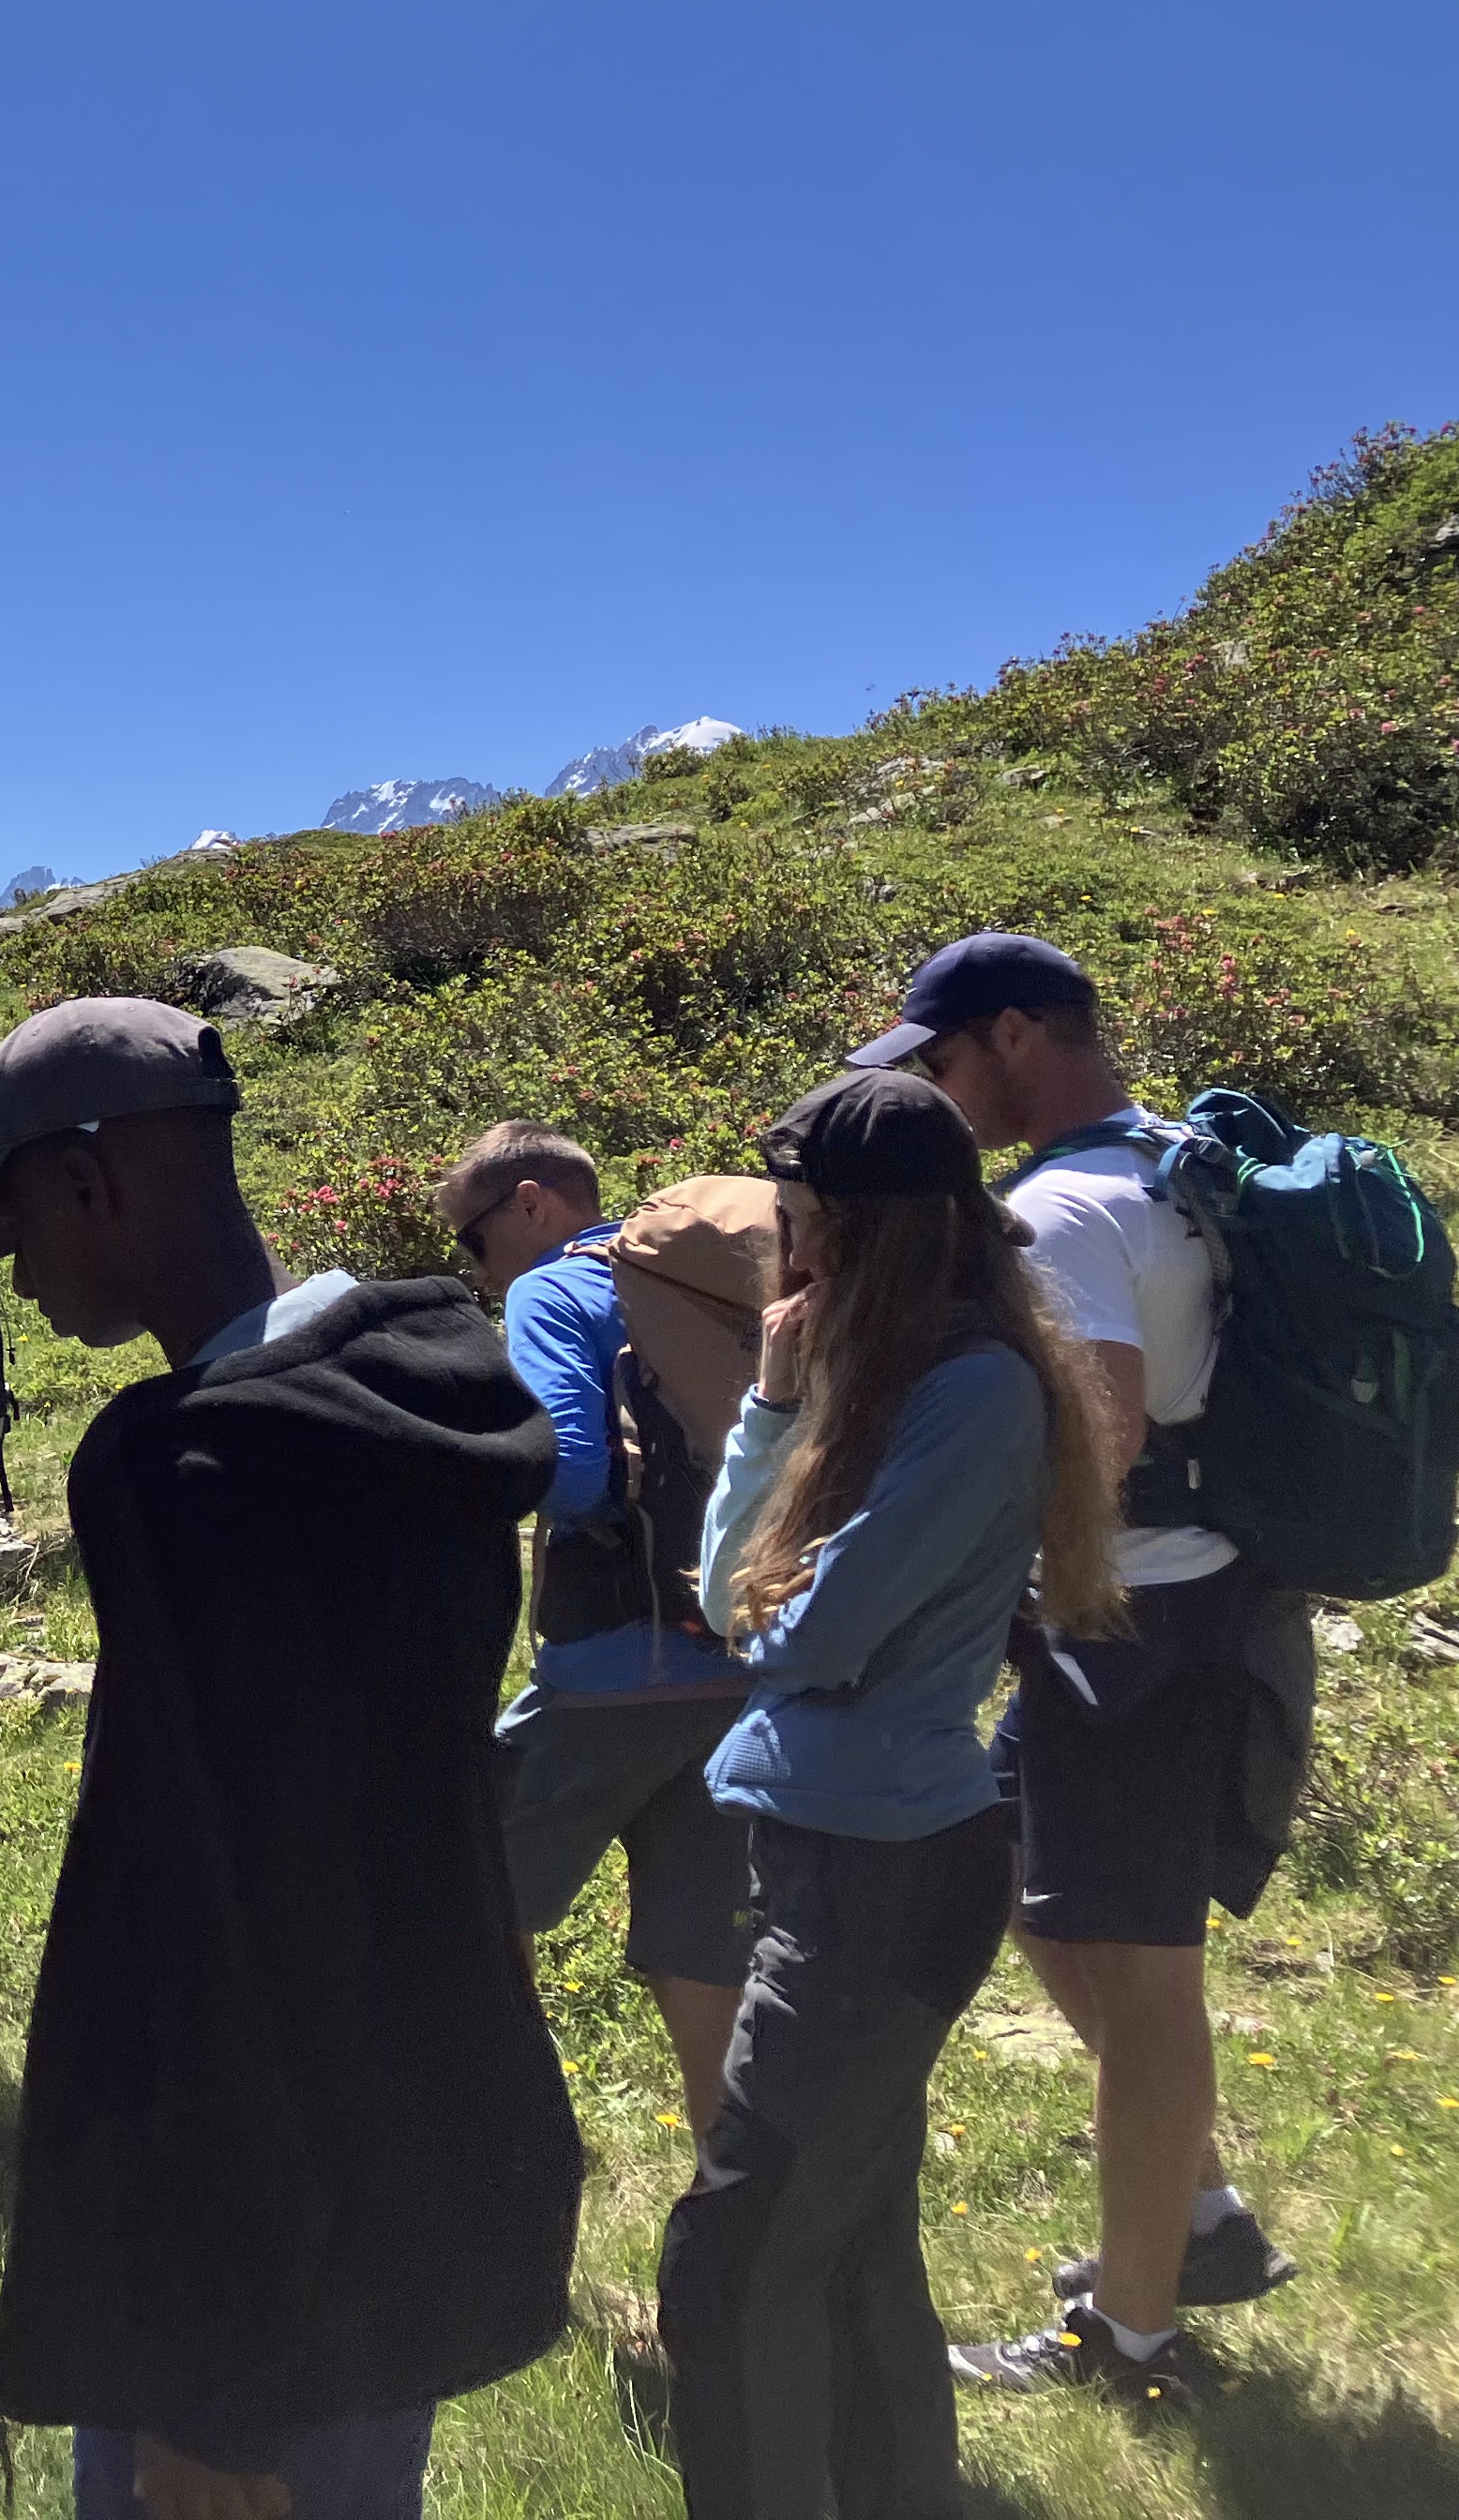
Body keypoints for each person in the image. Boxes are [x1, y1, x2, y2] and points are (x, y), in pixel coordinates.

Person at [0, 998, 581, 2520]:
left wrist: (212, 2393)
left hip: (242, 2285)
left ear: (92, 1180)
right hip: (392, 2174)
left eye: (11, 1216)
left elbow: (226, 1937)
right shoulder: (421, 1394)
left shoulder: (209, 1480)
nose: (9, 1267)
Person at [657, 1070, 1129, 2516]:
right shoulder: (895, 1382)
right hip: (839, 1858)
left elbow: (809, 1632)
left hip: (881, 1884)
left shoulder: (976, 1391)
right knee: (848, 2247)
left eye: (792, 1222)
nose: (780, 1257)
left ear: (855, 1233)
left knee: (730, 2264)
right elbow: (728, 1592)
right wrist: (769, 1401)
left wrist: (763, 1604)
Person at [852, 934, 1311, 2398]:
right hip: (1196, 1605)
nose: (934, 1090)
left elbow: (1098, 1431)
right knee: (1042, 1896)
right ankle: (1199, 2221)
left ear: (1008, 1036)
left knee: (1146, 1973)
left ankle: (1130, 2336)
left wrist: (958, 1569)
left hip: (1126, 1630)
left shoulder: (1056, 1210)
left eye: (938, 1060)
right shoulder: (1176, 1163)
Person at [435, 1120, 755, 2137]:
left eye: (471, 1241)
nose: (477, 1272)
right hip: (743, 1660)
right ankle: (733, 2198)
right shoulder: (711, 1286)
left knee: (469, 1911)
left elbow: (571, 1472)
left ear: (529, 1203)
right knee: (706, 1959)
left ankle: (497, 2154)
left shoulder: (554, 1291)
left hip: (611, 1671)